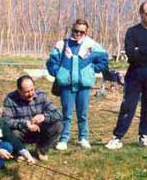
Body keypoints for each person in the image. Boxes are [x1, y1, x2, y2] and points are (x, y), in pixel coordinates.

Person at [105, 1, 147, 150]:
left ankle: (144, 135)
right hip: (135, 73)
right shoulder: (132, 32)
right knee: (128, 105)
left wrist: (141, 50)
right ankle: (117, 137)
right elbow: (131, 54)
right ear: (141, 13)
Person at [46, 18, 108, 150]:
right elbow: (52, 62)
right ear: (72, 29)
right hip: (66, 85)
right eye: (76, 31)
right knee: (66, 113)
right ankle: (63, 139)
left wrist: (92, 70)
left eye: (82, 32)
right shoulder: (62, 44)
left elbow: (103, 60)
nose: (78, 34)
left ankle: (83, 137)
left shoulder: (92, 45)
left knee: (83, 113)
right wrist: (58, 73)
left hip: (84, 85)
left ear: (86, 32)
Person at [3, 75, 63, 161]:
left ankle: (42, 150)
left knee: (58, 126)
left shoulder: (41, 96)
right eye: (27, 92)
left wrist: (44, 117)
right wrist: (25, 123)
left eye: (32, 90)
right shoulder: (10, 99)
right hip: (21, 132)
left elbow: (59, 113)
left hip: (40, 131)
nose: (31, 93)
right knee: (12, 132)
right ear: (19, 91)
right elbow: (5, 120)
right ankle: (20, 151)